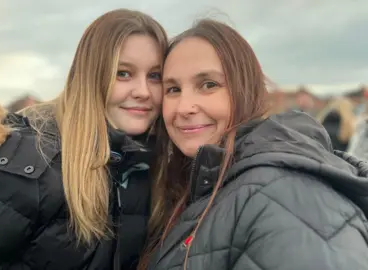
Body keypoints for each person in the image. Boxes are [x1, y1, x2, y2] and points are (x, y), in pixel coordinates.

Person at [0, 9, 168, 270]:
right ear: (91, 77)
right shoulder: (34, 159)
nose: (144, 91)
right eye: (123, 73)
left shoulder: (149, 165)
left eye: (154, 76)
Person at [139, 19, 368, 270]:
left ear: (245, 89)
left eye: (209, 85)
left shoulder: (289, 195)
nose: (184, 107)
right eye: (173, 89)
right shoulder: (202, 183)